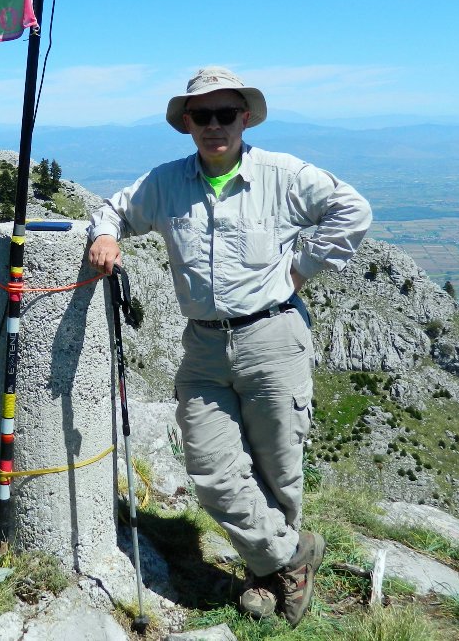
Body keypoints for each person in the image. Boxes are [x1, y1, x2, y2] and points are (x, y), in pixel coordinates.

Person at [87, 66, 371, 625]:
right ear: (187, 123)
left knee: (278, 469)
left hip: (273, 338)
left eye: (224, 114)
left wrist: (301, 268)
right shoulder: (166, 183)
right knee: (213, 471)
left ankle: (266, 573)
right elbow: (114, 210)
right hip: (203, 347)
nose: (213, 125)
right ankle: (293, 555)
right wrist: (104, 234)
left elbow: (353, 211)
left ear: (244, 118)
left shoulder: (282, 175)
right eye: (202, 115)